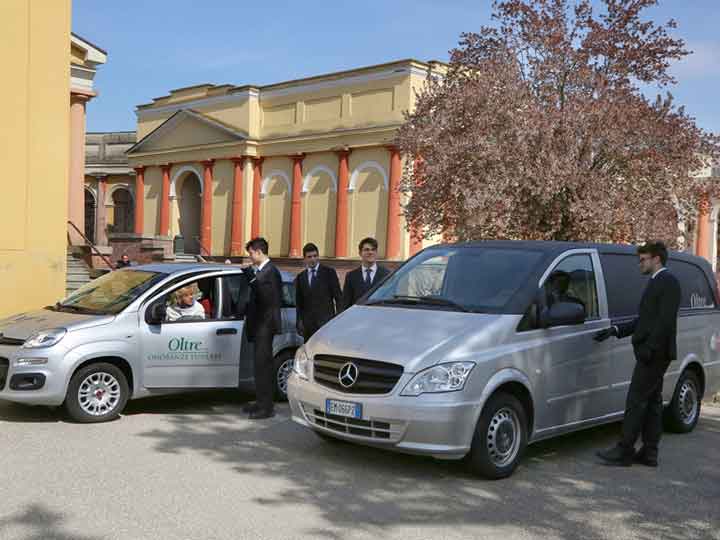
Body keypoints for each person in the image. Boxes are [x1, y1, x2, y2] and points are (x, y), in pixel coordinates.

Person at [594, 241, 681, 467]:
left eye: (643, 259)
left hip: (654, 354)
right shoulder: (657, 282)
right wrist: (615, 330)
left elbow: (664, 321)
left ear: (656, 259)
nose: (639, 264)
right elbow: (644, 321)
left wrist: (648, 350)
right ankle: (650, 452)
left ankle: (624, 450)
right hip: (653, 352)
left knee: (635, 400)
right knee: (652, 401)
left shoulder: (668, 281)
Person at [241, 237, 282, 420]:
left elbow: (268, 299)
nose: (249, 257)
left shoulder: (271, 272)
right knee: (258, 367)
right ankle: (260, 401)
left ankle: (267, 408)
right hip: (258, 325)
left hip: (266, 325)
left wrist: (252, 280)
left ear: (259, 252)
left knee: (264, 366)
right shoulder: (261, 271)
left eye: (250, 253)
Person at [294, 242, 342, 341]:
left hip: (326, 323)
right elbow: (299, 303)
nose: (313, 259)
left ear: (318, 256)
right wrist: (299, 322)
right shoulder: (301, 277)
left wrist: (338, 320)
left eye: (315, 256)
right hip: (308, 326)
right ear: (305, 258)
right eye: (309, 256)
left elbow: (338, 297)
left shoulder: (329, 273)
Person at [342, 237, 391, 309]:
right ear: (360, 253)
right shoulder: (351, 276)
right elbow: (345, 303)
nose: (370, 252)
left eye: (373, 250)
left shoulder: (386, 275)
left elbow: (389, 300)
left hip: (379, 316)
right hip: (357, 317)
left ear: (376, 252)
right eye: (366, 250)